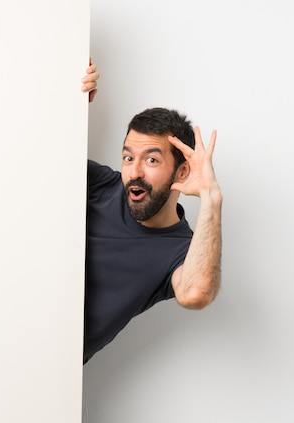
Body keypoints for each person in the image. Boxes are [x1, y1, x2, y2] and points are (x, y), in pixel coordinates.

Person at [80, 60, 222, 364]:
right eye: (128, 157)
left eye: (152, 160)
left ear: (182, 172)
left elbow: (195, 293)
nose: (135, 171)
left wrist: (211, 197)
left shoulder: (182, 250)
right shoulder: (103, 184)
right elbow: (34, 157)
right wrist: (69, 101)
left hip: (51, 379)